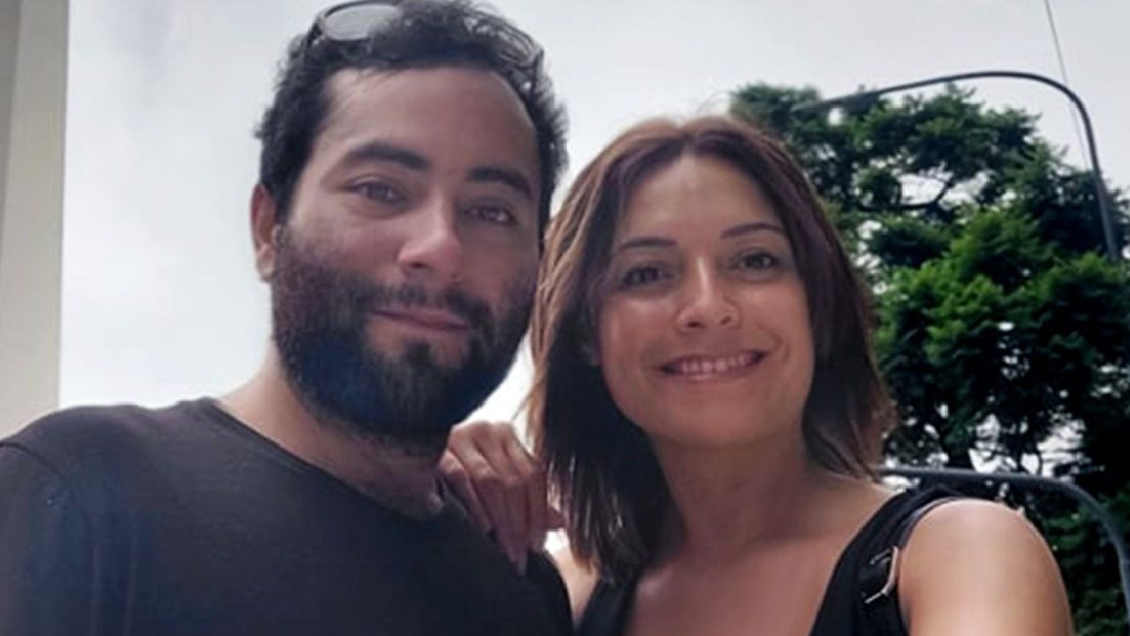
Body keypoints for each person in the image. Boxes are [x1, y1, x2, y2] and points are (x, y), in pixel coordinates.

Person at [0, 1, 572, 634]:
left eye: (492, 211)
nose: (440, 245)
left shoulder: (520, 589)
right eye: (380, 190)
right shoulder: (78, 498)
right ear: (269, 228)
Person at [441, 115, 1075, 635]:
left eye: (755, 260)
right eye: (647, 273)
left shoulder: (960, 556)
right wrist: (421, 496)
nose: (708, 306)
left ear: (817, 305)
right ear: (586, 334)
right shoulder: (564, 598)